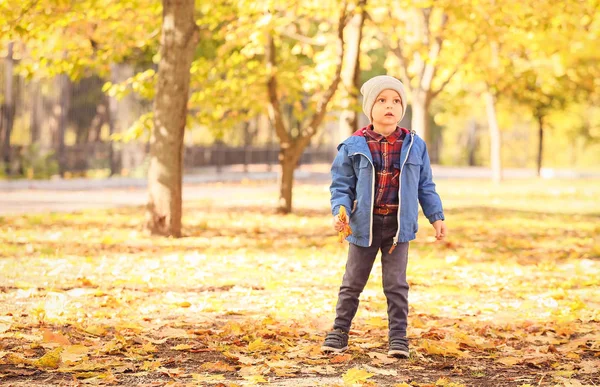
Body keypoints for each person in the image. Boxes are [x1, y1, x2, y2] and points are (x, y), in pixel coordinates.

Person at [322, 75, 447, 358]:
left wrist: (436, 216)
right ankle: (339, 331)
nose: (389, 106)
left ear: (403, 108)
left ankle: (398, 338)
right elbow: (341, 184)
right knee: (352, 282)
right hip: (363, 224)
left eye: (396, 101)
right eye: (382, 100)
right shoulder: (353, 146)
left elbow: (425, 185)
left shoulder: (415, 145)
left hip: (398, 226)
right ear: (370, 107)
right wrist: (339, 210)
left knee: (396, 285)